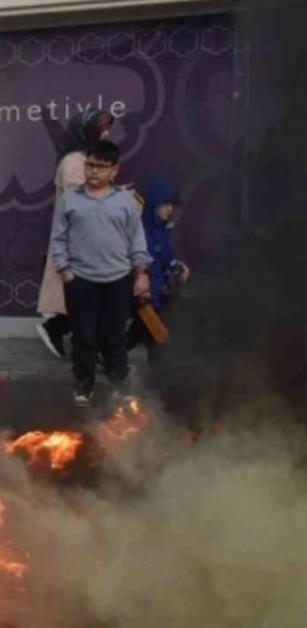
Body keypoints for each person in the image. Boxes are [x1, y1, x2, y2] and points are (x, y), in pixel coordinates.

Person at [48, 140, 152, 406]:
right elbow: (58, 238)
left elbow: (137, 238)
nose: (93, 171)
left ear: (114, 170)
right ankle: (84, 386)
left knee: (114, 336)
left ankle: (119, 384)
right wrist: (66, 271)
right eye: (89, 165)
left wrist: (141, 272)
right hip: (80, 280)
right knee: (84, 336)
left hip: (118, 279)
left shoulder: (125, 200)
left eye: (100, 167)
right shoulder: (71, 199)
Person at [37, 109, 115, 358]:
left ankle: (64, 332)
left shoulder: (88, 160)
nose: (107, 134)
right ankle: (60, 331)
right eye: (101, 129)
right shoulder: (73, 162)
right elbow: (78, 201)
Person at [126, 177, 191, 358]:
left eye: (172, 205)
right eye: (165, 204)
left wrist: (177, 267)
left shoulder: (162, 231)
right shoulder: (142, 233)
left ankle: (109, 357)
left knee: (146, 337)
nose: (169, 209)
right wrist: (151, 296)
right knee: (152, 337)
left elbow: (166, 259)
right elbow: (145, 266)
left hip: (161, 298)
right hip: (148, 298)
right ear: (153, 205)